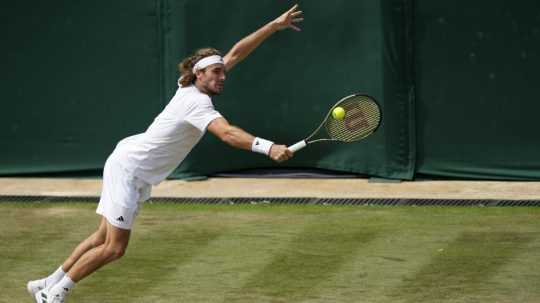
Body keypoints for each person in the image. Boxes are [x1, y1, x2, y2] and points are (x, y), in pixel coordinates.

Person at [27, 4, 303, 302]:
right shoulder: (196, 103)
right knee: (115, 248)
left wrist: (273, 26)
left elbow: (236, 52)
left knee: (101, 237)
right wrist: (269, 147)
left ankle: (48, 282)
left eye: (222, 71)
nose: (222, 76)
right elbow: (226, 133)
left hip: (129, 163)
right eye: (216, 72)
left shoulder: (191, 87)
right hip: (129, 169)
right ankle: (54, 295)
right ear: (199, 74)